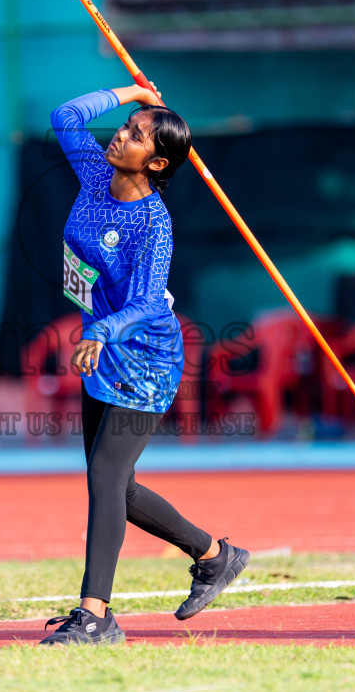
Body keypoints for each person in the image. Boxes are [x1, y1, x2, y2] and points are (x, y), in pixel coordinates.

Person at [40, 84, 249, 646]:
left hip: (145, 356)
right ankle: (215, 555)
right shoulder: (92, 173)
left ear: (156, 162)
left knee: (105, 478)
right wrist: (129, 92)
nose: (120, 135)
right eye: (125, 126)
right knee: (116, 485)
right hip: (100, 348)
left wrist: (104, 330)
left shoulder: (153, 225)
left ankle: (95, 616)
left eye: (135, 134)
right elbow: (66, 115)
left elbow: (150, 300)